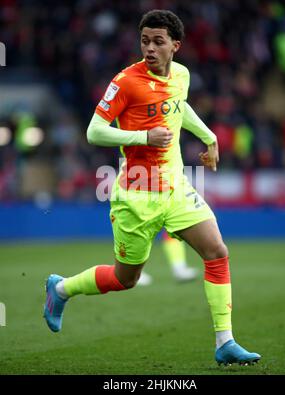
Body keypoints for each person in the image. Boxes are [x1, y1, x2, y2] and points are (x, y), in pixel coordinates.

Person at [44, 9, 261, 366]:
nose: (149, 48)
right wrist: (143, 135)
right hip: (137, 194)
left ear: (175, 45)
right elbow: (94, 131)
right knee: (125, 278)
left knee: (217, 252)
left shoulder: (182, 75)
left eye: (158, 41)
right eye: (145, 40)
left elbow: (179, 107)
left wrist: (208, 137)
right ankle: (62, 288)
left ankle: (225, 341)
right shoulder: (127, 81)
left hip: (175, 187)